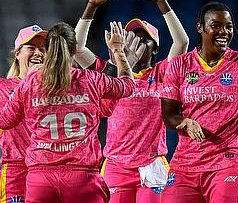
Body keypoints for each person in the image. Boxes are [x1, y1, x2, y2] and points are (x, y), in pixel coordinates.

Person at [73, 0, 189, 203]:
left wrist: (161, 2)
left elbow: (182, 42)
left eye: (141, 37)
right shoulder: (110, 73)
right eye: (129, 36)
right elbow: (75, 47)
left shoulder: (162, 73)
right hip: (116, 166)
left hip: (152, 164)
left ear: (154, 48)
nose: (133, 41)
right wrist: (90, 8)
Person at [0, 21, 136, 203]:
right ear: (75, 52)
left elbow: (5, 121)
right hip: (82, 177)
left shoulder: (31, 82)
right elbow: (127, 86)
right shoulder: (90, 79)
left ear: (49, 50)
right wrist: (119, 52)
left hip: (40, 179)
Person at [160, 1, 238, 203]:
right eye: (216, 25)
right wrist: (186, 122)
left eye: (229, 26)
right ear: (200, 27)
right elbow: (169, 115)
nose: (224, 31)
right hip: (185, 164)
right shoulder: (180, 64)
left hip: (227, 162)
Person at [0, 25, 46, 202]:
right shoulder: (2, 88)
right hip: (16, 172)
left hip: (49, 170)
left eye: (42, 49)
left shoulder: (57, 90)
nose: (38, 53)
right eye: (31, 48)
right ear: (17, 54)